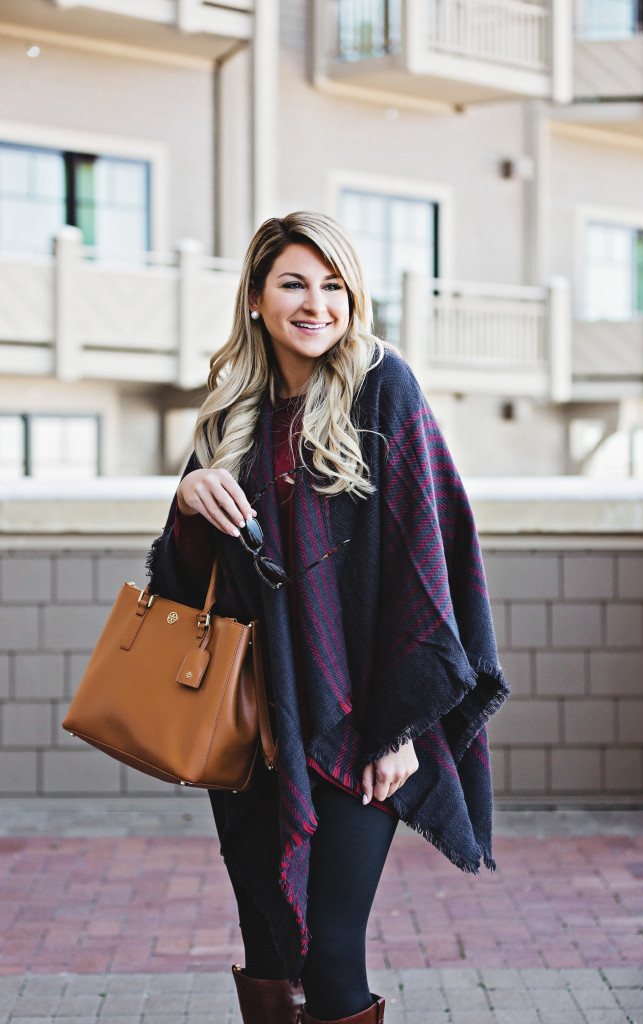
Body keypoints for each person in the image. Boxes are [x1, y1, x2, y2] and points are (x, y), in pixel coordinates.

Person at [147, 211, 509, 1024]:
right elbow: (183, 591)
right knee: (267, 942)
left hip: (359, 722)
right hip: (250, 723)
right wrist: (186, 506)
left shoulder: (385, 388)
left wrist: (401, 728)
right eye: (293, 284)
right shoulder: (225, 415)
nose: (316, 303)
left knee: (329, 951)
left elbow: (426, 558)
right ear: (254, 299)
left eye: (333, 285)